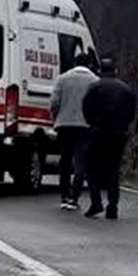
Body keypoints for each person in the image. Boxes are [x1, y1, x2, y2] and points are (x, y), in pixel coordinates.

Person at [81, 55, 138, 220]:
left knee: (92, 169)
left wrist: (92, 124)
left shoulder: (94, 87)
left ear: (100, 71)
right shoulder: (125, 89)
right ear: (115, 71)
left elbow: (86, 108)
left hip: (98, 132)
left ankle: (96, 202)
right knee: (113, 170)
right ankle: (112, 206)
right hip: (118, 133)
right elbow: (131, 112)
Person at [50, 49, 98, 210]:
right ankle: (74, 197)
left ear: (74, 63)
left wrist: (56, 118)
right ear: (89, 64)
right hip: (85, 126)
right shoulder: (94, 81)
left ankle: (63, 195)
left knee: (64, 161)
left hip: (64, 124)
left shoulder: (62, 79)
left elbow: (54, 102)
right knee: (80, 162)